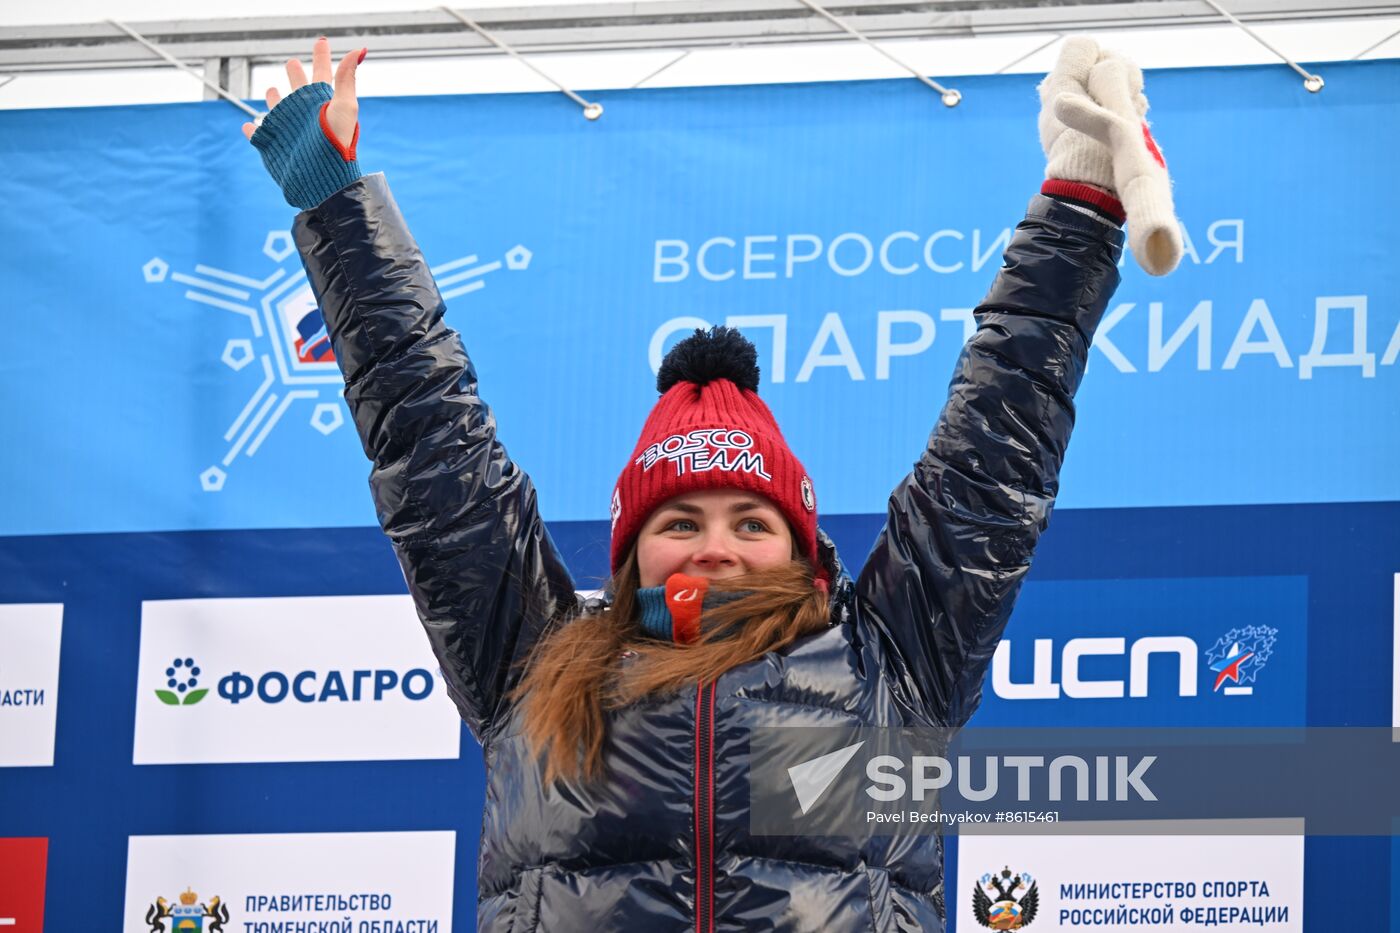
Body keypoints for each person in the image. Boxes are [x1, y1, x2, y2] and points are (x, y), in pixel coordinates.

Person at [243, 35, 1179, 932]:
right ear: (633, 546)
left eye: (751, 519)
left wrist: (1081, 206)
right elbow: (430, 443)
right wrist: (337, 205)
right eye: (680, 519)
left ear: (803, 542)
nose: (716, 544)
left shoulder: (890, 662)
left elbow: (996, 445)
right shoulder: (533, 659)